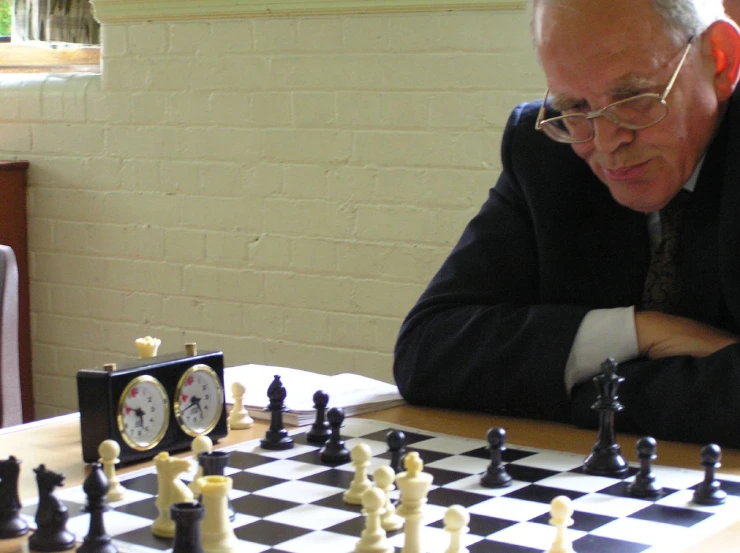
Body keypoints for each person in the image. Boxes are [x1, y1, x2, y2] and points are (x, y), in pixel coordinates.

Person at [393, 0, 740, 448]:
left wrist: (596, 393)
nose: (605, 142)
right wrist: (640, 332)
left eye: (633, 98)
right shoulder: (544, 153)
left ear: (721, 61)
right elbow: (428, 352)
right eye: (574, 105)